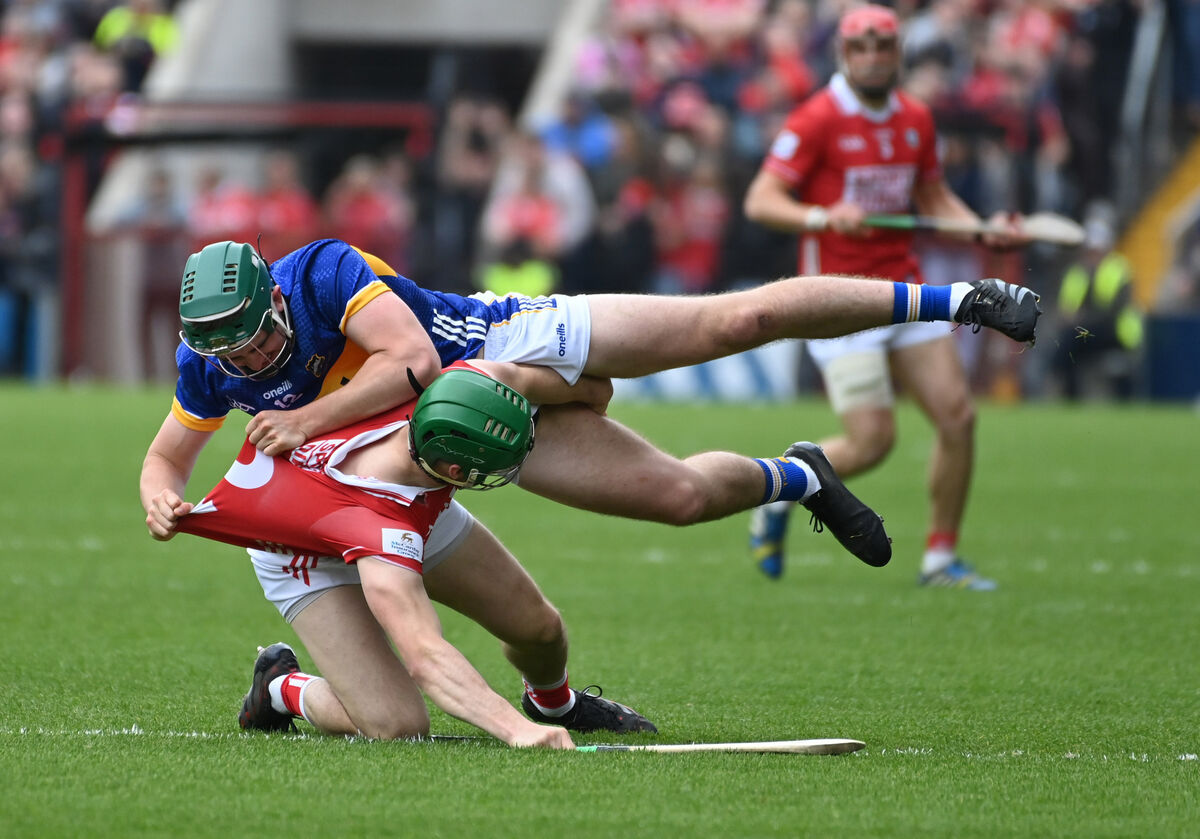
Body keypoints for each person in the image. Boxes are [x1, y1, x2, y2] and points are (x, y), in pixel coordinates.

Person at [143, 228, 1039, 600]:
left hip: (507, 339)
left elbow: (413, 361)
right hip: (473, 429)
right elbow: (167, 455)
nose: (252, 361)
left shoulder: (322, 272)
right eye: (231, 354)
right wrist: (159, 496)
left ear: (271, 300)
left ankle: (959, 298)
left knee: (740, 319)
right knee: (682, 498)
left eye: (257, 339)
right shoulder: (211, 365)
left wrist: (302, 423)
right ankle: (803, 472)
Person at [162, 362, 654, 747]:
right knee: (396, 725)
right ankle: (279, 688)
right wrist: (513, 730)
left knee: (540, 630)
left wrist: (588, 390)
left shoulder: (436, 383)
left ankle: (555, 705)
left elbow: (517, 376)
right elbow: (425, 654)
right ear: (455, 468)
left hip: (414, 501)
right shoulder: (378, 530)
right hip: (305, 550)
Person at [741, 4, 1034, 590]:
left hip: (906, 290)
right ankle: (777, 491)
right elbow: (761, 201)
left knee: (958, 416)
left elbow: (932, 196)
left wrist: (979, 228)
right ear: (844, 54)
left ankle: (940, 560)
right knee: (872, 441)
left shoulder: (916, 119)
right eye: (861, 46)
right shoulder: (816, 118)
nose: (873, 56)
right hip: (840, 303)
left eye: (884, 46)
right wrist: (823, 216)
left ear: (898, 52)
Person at [1051, 208, 1142, 401]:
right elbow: (1066, 309)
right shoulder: (1077, 273)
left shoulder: (1118, 270)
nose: (1093, 256)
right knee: (1067, 343)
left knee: (1070, 340)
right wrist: (1069, 317)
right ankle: (1070, 398)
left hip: (1116, 333)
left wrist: (1080, 318)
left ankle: (1073, 398)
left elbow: (1114, 312)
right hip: (1087, 331)